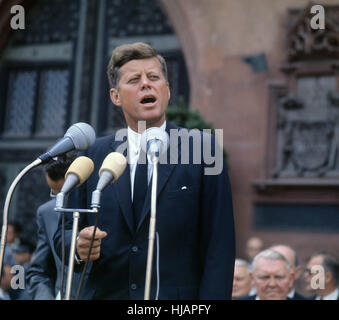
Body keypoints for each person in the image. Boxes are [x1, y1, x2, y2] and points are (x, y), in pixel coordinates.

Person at [54, 42, 235, 300]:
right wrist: (77, 247)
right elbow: (63, 232)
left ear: (167, 90)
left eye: (154, 77)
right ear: (115, 96)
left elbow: (220, 245)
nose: (146, 84)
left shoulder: (202, 148)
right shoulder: (94, 154)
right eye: (134, 79)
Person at [26, 151, 81, 300]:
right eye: (55, 194)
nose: (60, 203)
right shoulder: (47, 212)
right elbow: (39, 272)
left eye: (68, 194)